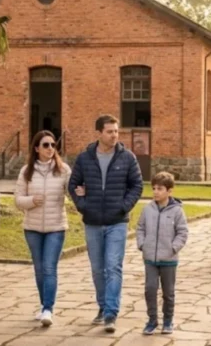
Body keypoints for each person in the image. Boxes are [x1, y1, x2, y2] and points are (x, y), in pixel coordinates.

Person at [68, 115, 143, 333]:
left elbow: (137, 185)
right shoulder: (84, 158)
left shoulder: (127, 157)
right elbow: (73, 185)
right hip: (92, 221)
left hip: (117, 222)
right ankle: (102, 306)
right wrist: (83, 205)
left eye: (116, 131)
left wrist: (123, 206)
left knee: (113, 267)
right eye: (110, 131)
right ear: (99, 133)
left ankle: (111, 313)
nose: (114, 135)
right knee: (97, 269)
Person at [14, 130, 72, 327]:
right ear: (36, 148)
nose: (50, 148)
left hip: (56, 226)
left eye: (53, 145)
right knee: (39, 269)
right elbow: (18, 200)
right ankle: (43, 305)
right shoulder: (26, 171)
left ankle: (48, 308)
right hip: (32, 227)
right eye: (45, 145)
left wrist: (80, 192)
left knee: (49, 267)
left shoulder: (63, 170)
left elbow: (73, 193)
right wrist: (31, 200)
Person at [136, 172, 188, 335]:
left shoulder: (177, 211)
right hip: (150, 258)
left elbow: (182, 232)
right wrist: (142, 244)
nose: (156, 192)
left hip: (169, 260)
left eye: (160, 188)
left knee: (168, 292)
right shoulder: (147, 209)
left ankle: (168, 321)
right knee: (150, 289)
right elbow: (140, 228)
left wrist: (173, 248)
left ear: (169, 191)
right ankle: (152, 320)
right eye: (154, 188)